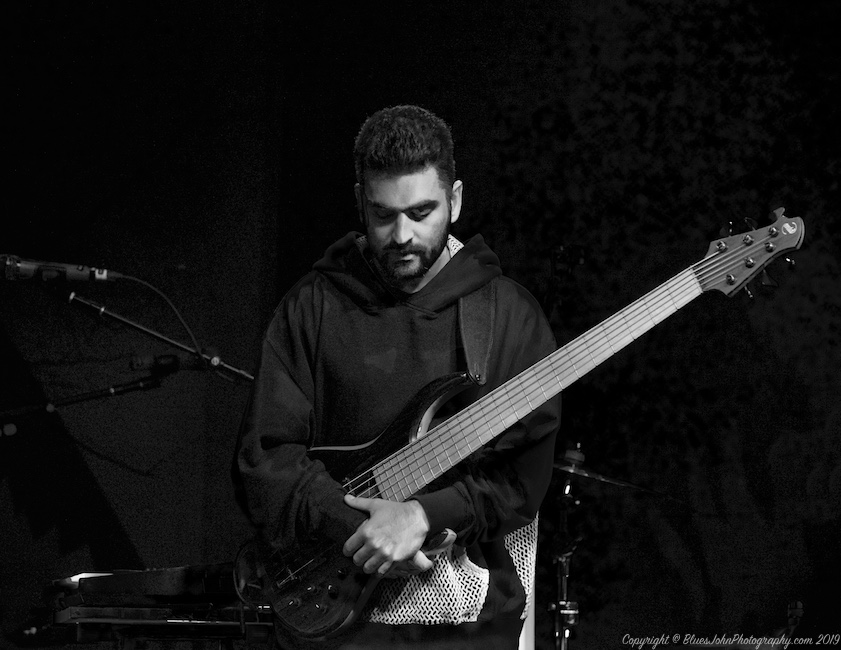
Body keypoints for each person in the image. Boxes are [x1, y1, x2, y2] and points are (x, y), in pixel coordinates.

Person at [234, 104, 561, 649]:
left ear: (456, 200)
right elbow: (264, 459)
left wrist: (422, 516)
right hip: (337, 625)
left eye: (421, 211)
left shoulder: (508, 316)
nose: (402, 235)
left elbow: (520, 481)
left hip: (468, 630)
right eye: (383, 214)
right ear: (360, 201)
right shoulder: (312, 306)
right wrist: (359, 527)